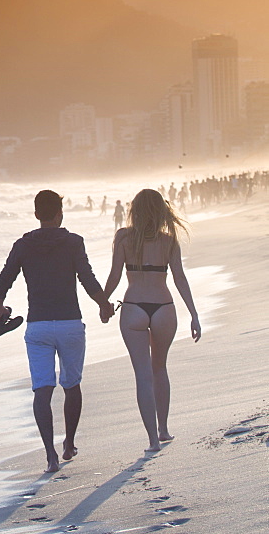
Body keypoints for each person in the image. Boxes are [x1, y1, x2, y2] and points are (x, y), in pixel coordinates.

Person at [0, 189, 115, 473]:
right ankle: (69, 443)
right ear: (60, 214)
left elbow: (2, 282)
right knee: (71, 386)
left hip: (39, 327)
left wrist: (0, 310)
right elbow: (87, 278)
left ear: (36, 214)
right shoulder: (73, 242)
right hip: (70, 323)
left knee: (42, 390)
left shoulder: (23, 245)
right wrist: (105, 305)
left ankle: (50, 455)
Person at [102, 188, 201, 453]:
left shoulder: (123, 238)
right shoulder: (169, 241)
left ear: (135, 210)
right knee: (160, 369)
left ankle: (153, 441)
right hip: (164, 307)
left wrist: (103, 303)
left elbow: (113, 276)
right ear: (160, 211)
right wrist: (194, 314)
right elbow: (180, 278)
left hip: (133, 306)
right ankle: (164, 428)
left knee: (143, 376)